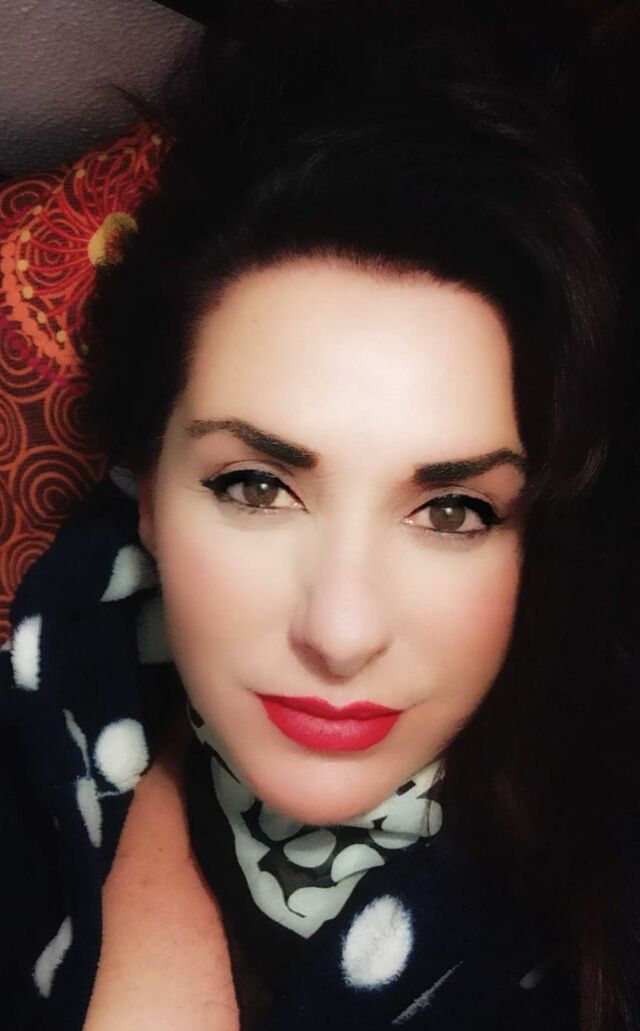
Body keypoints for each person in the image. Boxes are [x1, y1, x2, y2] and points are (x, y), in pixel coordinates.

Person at [2, 2, 639, 1029]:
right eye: (257, 486)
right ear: (147, 493)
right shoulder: (33, 761)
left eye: (452, 509)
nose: (340, 633)